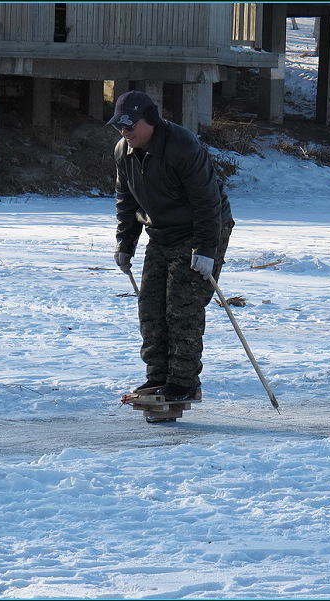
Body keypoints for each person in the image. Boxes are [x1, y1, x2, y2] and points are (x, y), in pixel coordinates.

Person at [108, 90, 234, 405]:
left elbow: (208, 204)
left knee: (182, 305)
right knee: (150, 305)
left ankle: (183, 383)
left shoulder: (183, 147)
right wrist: (126, 242)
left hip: (202, 228)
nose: (125, 133)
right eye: (120, 127)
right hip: (162, 231)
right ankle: (158, 377)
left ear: (150, 120)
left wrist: (206, 249)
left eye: (130, 125)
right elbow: (127, 200)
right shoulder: (124, 152)